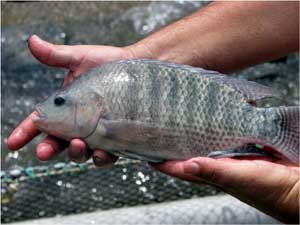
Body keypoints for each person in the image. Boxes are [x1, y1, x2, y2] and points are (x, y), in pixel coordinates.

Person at [7, 1, 299, 223]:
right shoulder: (95, 100)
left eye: (61, 102)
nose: (45, 109)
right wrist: (138, 57)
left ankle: (274, 129)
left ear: (90, 103)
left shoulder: (101, 121)